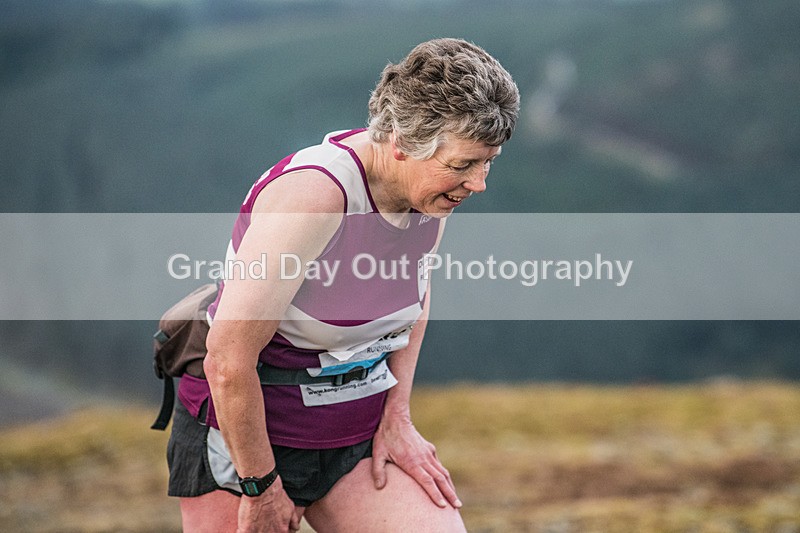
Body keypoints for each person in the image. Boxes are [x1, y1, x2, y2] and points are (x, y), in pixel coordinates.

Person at [166, 38, 519, 532]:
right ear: (400, 143)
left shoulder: (427, 192)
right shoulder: (315, 199)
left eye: (488, 161)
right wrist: (260, 488)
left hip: (355, 432)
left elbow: (414, 295)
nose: (478, 182)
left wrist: (398, 416)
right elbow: (226, 359)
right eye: (463, 164)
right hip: (248, 439)